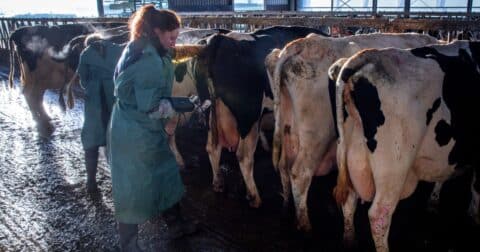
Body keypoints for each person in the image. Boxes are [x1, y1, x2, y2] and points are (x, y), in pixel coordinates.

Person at [108, 5, 204, 251]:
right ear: (157, 31)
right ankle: (129, 245)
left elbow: (168, 56)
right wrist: (182, 106)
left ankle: (177, 225)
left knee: (166, 173)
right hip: (133, 133)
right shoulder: (149, 61)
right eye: (171, 37)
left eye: (177, 37)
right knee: (131, 188)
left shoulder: (140, 46)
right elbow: (150, 107)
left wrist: (199, 50)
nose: (175, 42)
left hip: (136, 127)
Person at [77, 35, 124, 193]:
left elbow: (83, 80)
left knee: (91, 140)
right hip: (113, 96)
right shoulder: (117, 50)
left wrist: (92, 85)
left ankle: (91, 181)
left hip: (95, 102)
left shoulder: (85, 54)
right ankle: (120, 180)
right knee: (117, 138)